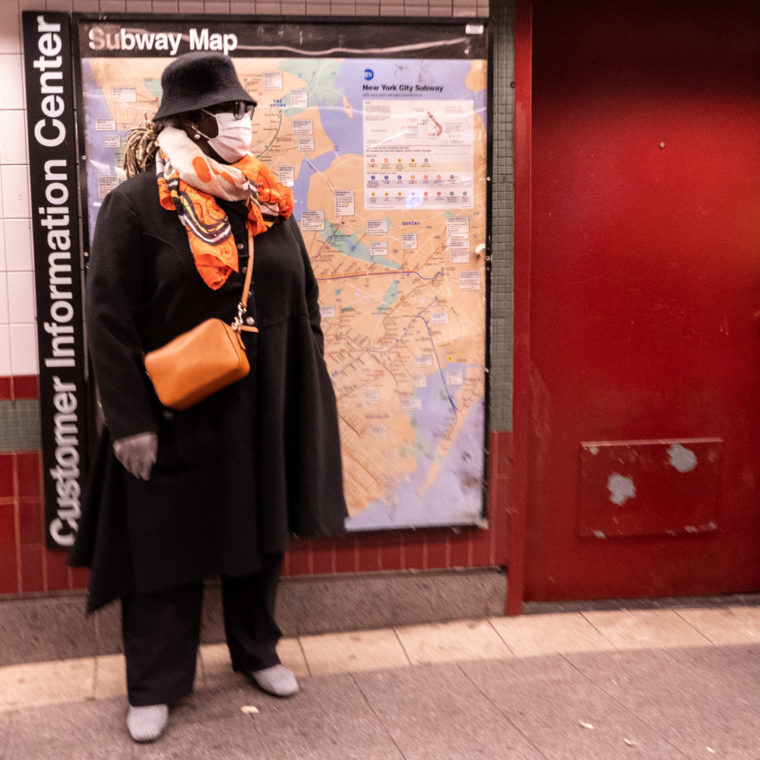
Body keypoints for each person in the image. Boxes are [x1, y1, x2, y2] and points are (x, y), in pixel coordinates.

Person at [70, 52, 347, 743]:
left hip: (262, 409)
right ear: (190, 123)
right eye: (230, 112)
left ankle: (257, 649)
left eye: (247, 111)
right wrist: (129, 421)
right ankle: (156, 682)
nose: (244, 124)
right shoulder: (136, 206)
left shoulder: (263, 202)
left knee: (259, 534)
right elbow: (106, 321)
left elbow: (302, 301)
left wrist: (305, 394)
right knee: (163, 545)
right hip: (174, 412)